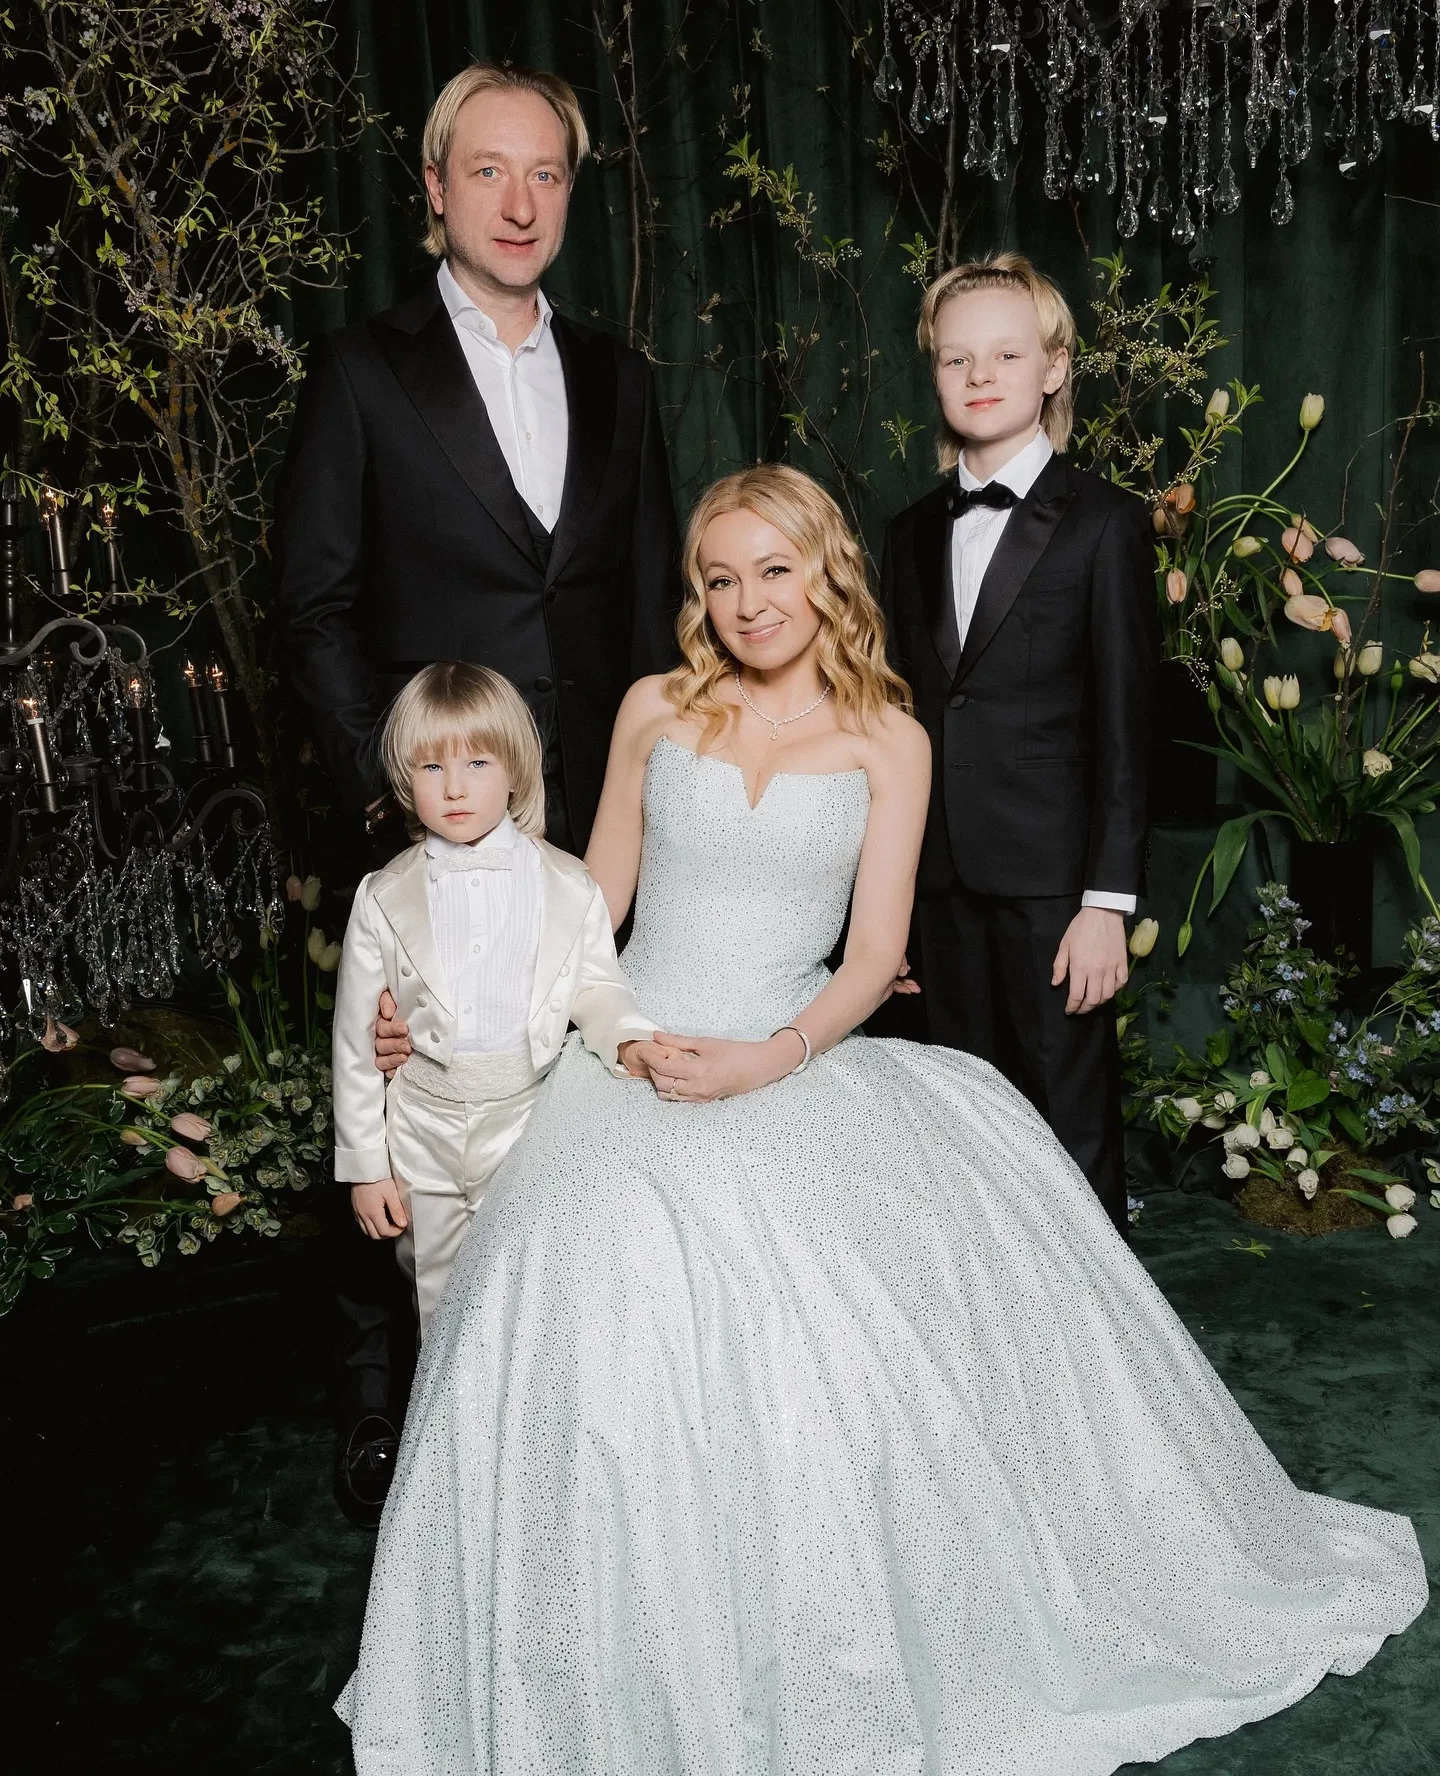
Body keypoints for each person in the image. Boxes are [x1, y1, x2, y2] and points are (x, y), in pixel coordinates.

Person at [339, 466, 1425, 1774]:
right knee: (596, 1280)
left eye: (775, 570)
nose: (749, 602)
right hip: (635, 1049)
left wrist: (768, 1060)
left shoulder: (888, 739)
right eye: (720, 579)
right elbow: (586, 912)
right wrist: (440, 1012)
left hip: (792, 1048)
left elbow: (869, 962)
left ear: (828, 572)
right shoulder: (651, 709)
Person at [272, 62, 678, 1514]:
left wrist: (656, 808)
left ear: (570, 195)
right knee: (405, 1095)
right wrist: (397, 804)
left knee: (571, 1101)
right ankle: (381, 1408)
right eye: (489, 171)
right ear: (436, 189)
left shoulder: (623, 379)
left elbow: (650, 617)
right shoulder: (363, 371)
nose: (520, 202)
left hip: (594, 829)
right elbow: (313, 608)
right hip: (432, 815)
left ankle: (571, 1400)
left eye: (547, 174)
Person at [881, 252, 1157, 1234]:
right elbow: (897, 723)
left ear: (1054, 367)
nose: (980, 374)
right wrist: (888, 906)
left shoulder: (1106, 525)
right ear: (935, 373)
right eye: (956, 358)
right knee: (954, 1124)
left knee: (1067, 1125)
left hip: (1053, 891)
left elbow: (1128, 729)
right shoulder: (907, 532)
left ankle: (1096, 1320)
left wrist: (1106, 905)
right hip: (936, 885)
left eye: (1005, 353)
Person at [331, 663, 657, 1340]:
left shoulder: (569, 884)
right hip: (421, 1129)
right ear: (405, 780)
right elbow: (356, 1045)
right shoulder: (382, 895)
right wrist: (366, 1167)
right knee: (439, 1300)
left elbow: (597, 985)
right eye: (431, 767)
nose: (454, 788)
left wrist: (627, 1038)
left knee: (537, 1294)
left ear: (514, 770)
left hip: (529, 1121)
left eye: (477, 763)